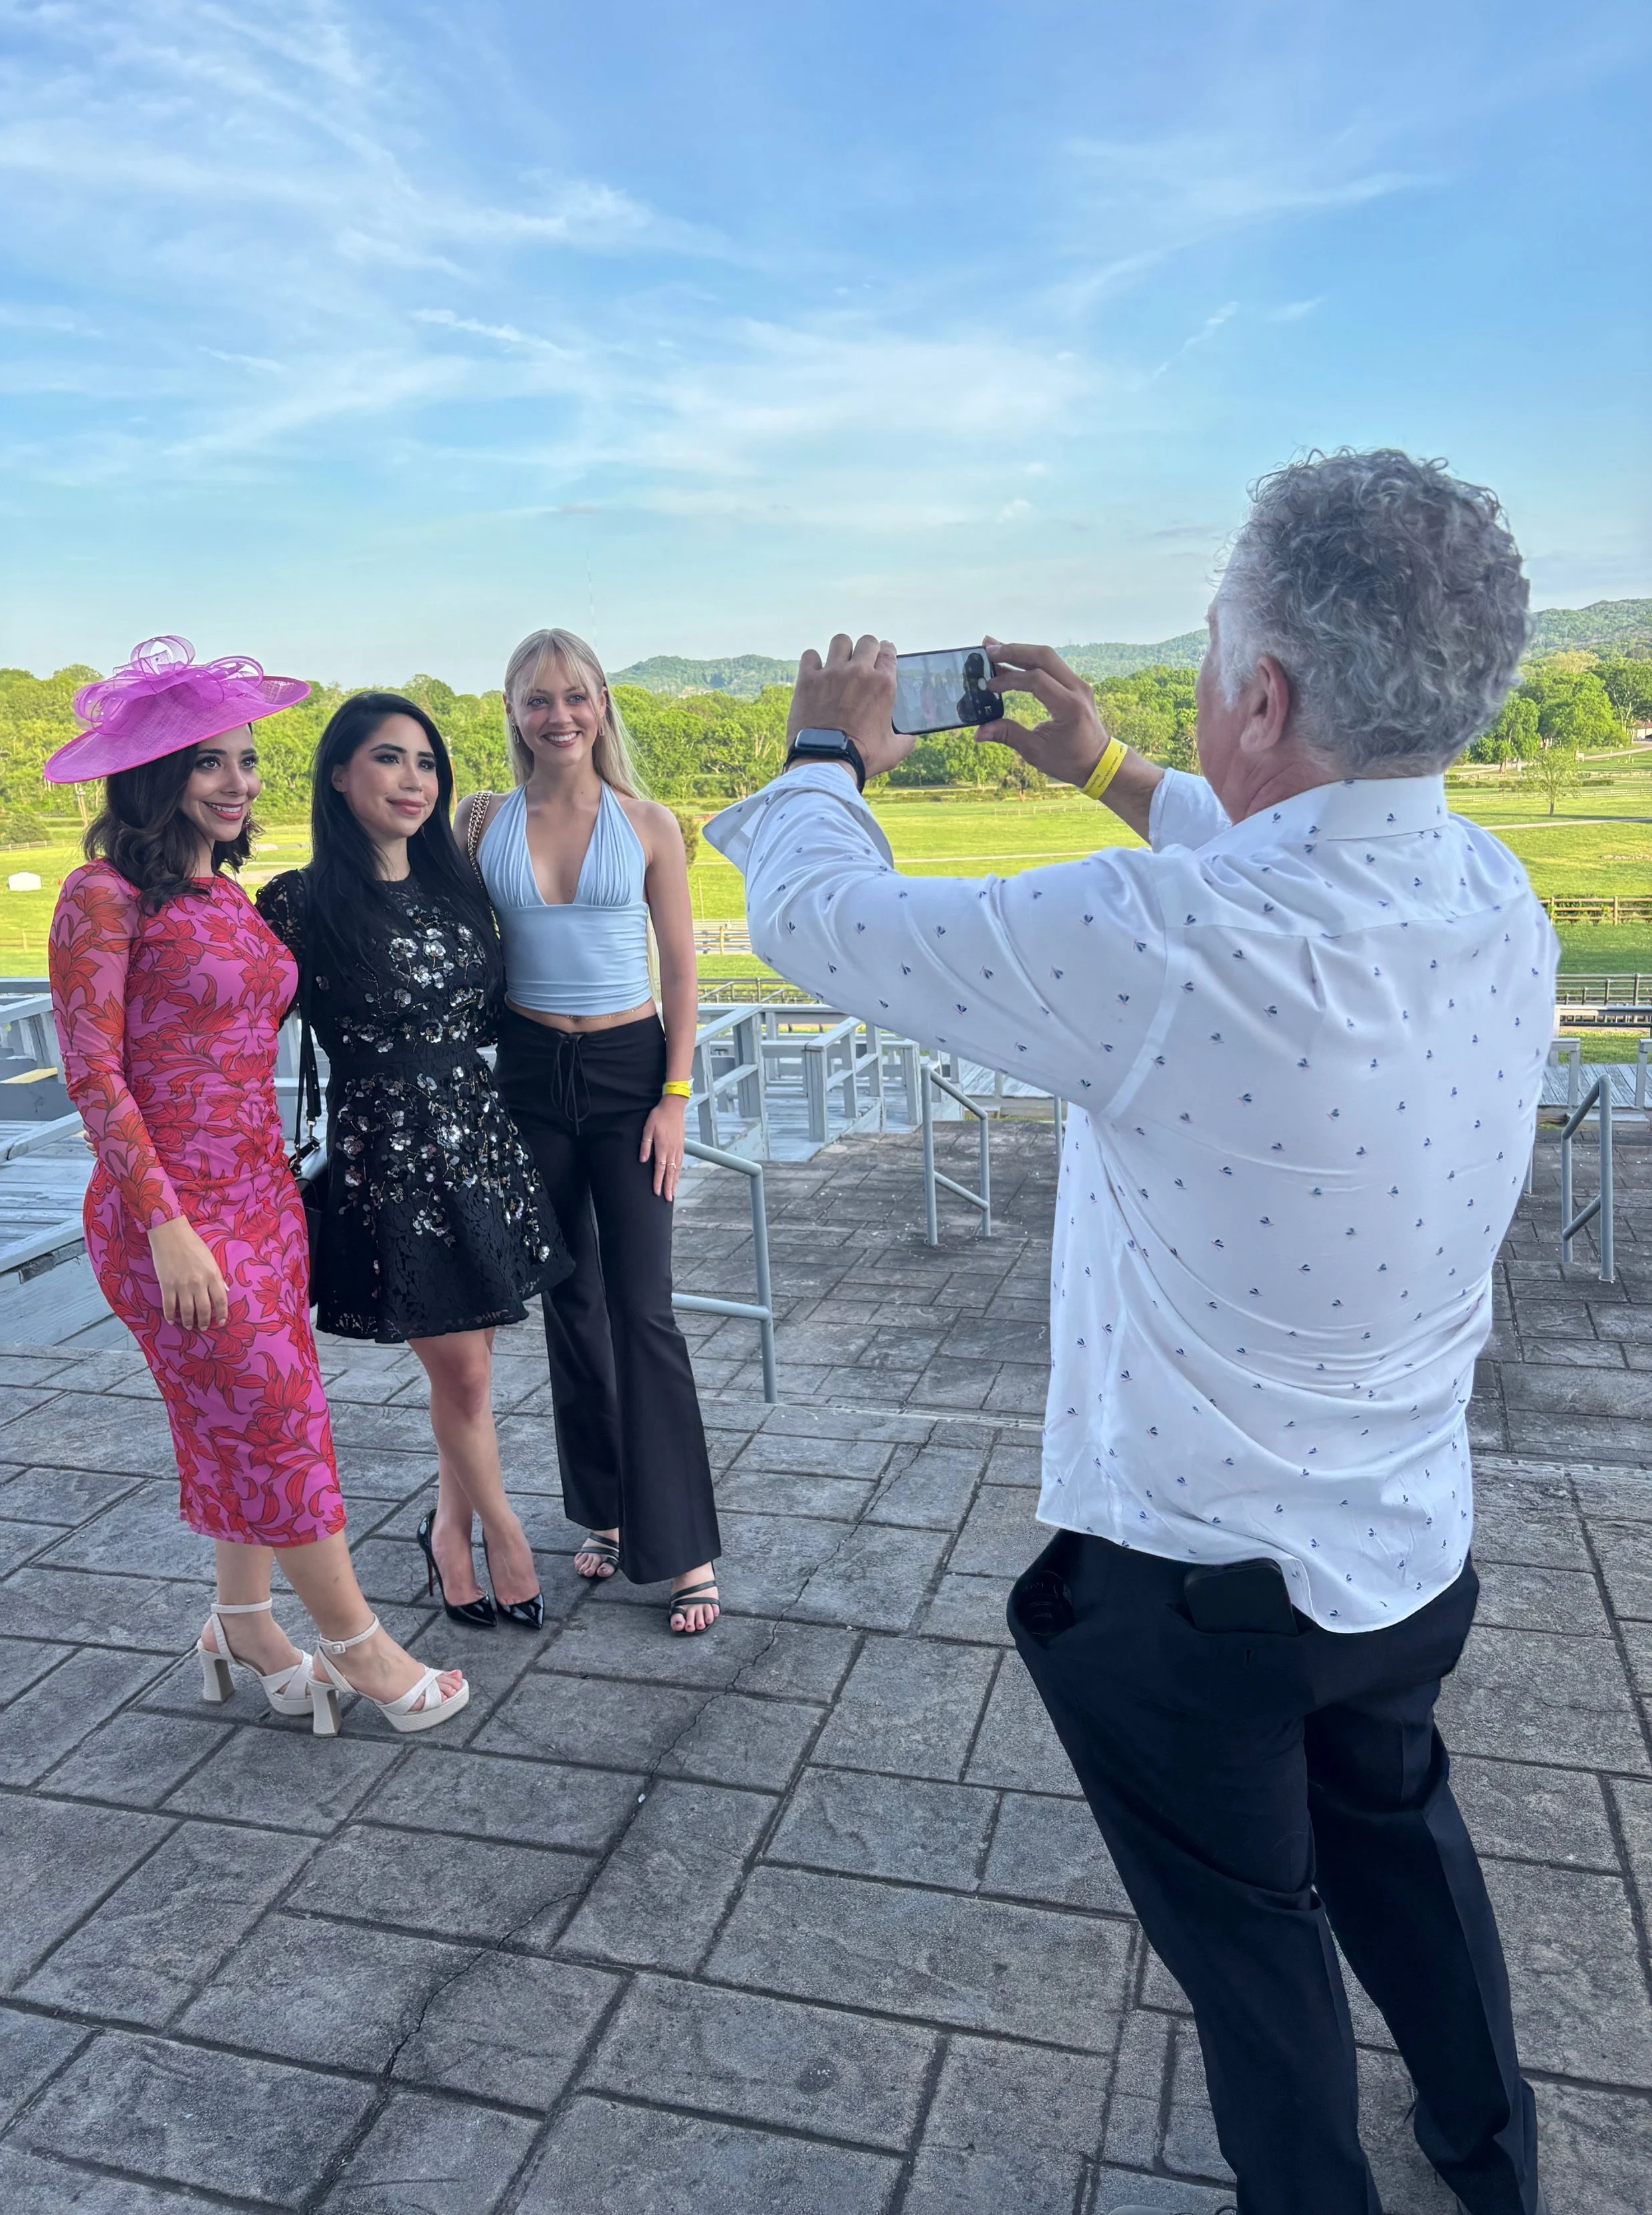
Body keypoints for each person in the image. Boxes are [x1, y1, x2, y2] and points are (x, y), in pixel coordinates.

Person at [706, 453, 1554, 2215]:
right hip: (1403, 1554)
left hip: (1198, 1600)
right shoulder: (1491, 897)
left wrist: (819, 754)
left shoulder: (1174, 942)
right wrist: (1095, 764)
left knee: (1257, 1958)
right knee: (1401, 1839)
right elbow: (1292, 851)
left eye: (1211, 651)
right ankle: (1492, 2155)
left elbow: (817, 919)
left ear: (1260, 692)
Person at [45, 637, 468, 1737]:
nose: (237, 783)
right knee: (277, 1424)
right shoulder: (102, 898)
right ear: (154, 777)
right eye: (208, 764)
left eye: (244, 762)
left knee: (256, 1418)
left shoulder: (229, 901)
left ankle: (241, 1620)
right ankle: (359, 1647)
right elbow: (93, 1070)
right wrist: (168, 1226)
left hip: (264, 1202)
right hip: (170, 1217)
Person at [258, 693, 570, 1630]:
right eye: (388, 760)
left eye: (427, 763)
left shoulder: (456, 888)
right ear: (340, 776)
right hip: (388, 1159)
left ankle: (446, 1534)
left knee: (465, 1366)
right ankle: (501, 1535)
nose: (413, 781)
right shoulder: (300, 902)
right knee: (464, 1375)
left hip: (475, 1140)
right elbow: (231, 1027)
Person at [454, 628, 720, 1634]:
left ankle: (684, 1545)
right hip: (527, 1080)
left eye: (575, 696)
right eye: (537, 700)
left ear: (602, 704)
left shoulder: (648, 823)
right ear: (513, 712)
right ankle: (604, 1511)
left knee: (642, 1309)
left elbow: (684, 970)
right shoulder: (482, 827)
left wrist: (675, 1099)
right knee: (571, 1302)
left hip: (627, 1076)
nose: (558, 715)